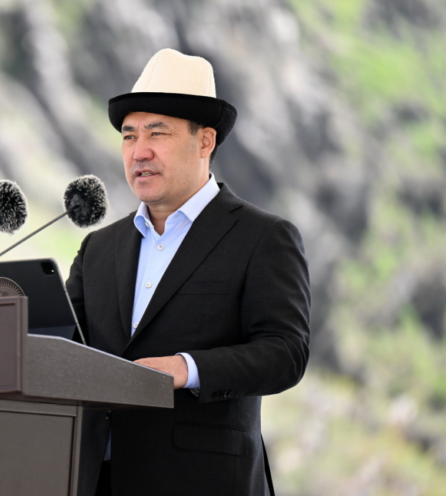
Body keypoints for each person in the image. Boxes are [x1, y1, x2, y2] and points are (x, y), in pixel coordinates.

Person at [66, 48, 311, 496]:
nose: (139, 151)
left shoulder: (263, 237)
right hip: (97, 480)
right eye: (129, 136)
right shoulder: (98, 249)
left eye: (157, 133)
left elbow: (286, 352)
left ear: (205, 141)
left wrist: (187, 368)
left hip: (206, 481)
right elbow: (67, 349)